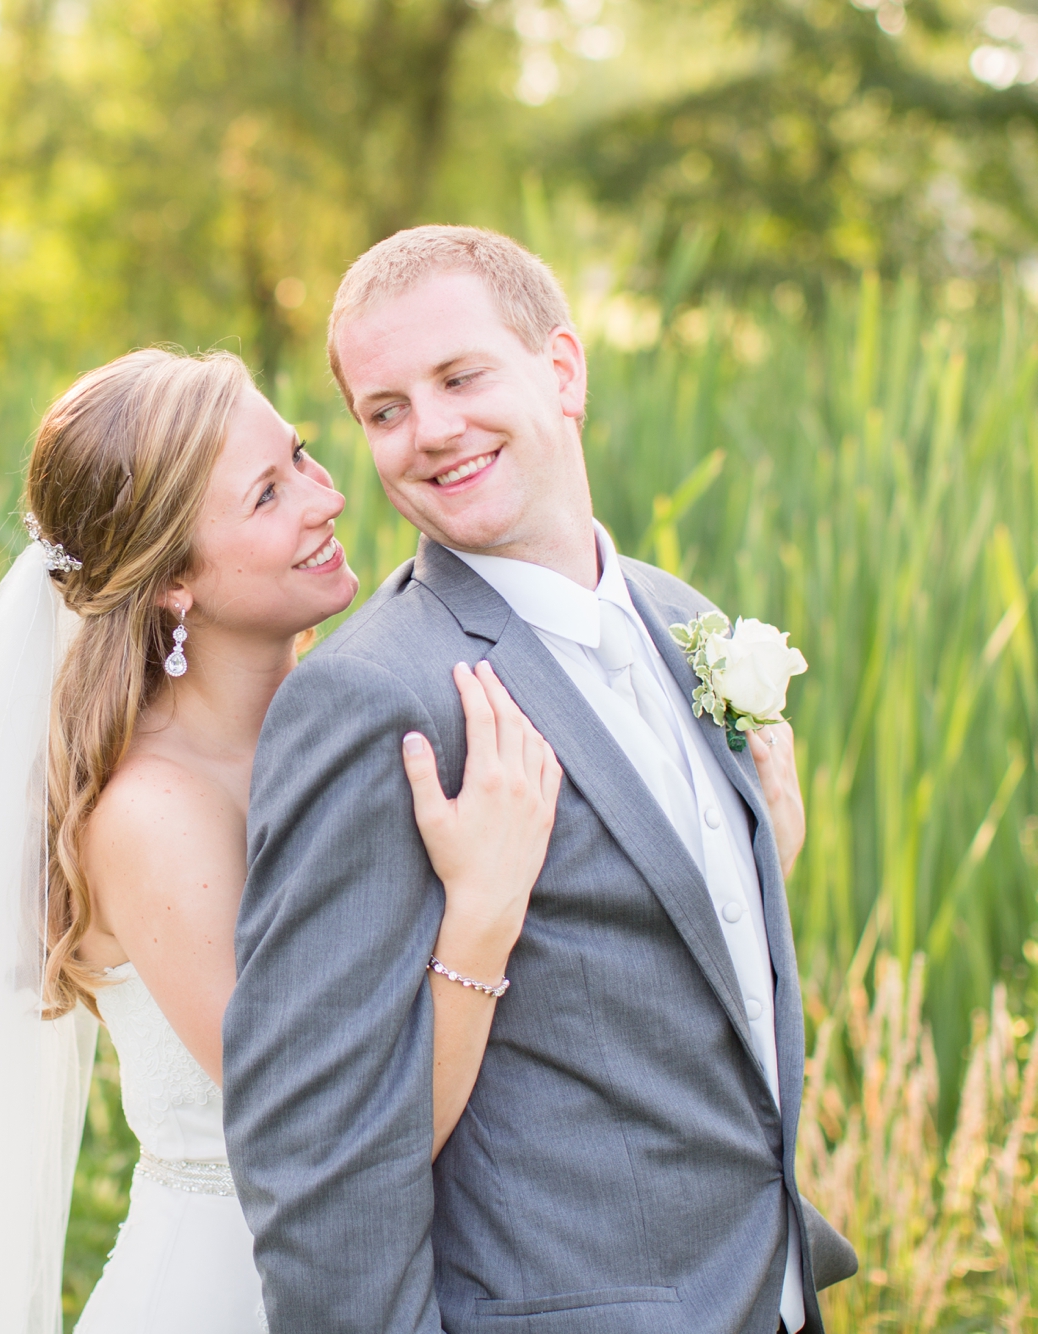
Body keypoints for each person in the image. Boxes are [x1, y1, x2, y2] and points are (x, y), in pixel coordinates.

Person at [0, 344, 799, 1333]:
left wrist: (736, 862)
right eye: (265, 495)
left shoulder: (371, 712)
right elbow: (341, 1141)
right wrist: (480, 916)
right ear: (171, 582)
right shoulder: (153, 815)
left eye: (302, 455)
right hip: (239, 1290)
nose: (324, 498)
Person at [221, 225, 853, 1334]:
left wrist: (754, 862)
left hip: (765, 1291)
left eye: (459, 377)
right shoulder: (377, 698)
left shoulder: (680, 618)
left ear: (559, 370)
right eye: (384, 409)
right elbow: (316, 1156)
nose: (430, 431)